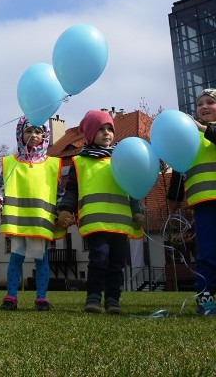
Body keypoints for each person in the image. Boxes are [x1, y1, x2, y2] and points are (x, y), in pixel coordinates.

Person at [166, 89, 216, 316]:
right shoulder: (190, 136)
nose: (203, 106)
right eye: (199, 103)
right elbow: (179, 167)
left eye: (210, 102)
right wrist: (174, 198)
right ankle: (206, 299)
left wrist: (205, 130)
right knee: (208, 254)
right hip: (205, 204)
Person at [57, 110, 145, 314]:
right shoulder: (80, 161)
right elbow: (72, 190)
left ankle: (113, 300)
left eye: (109, 129)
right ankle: (93, 298)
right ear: (89, 134)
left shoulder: (123, 158)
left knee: (116, 264)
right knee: (99, 259)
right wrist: (65, 209)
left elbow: (132, 188)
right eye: (100, 129)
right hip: (96, 222)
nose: (106, 133)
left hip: (121, 222)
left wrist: (137, 210)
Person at [0, 117, 65, 311]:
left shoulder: (52, 164)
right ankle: (11, 297)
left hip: (41, 221)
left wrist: (61, 211)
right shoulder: (10, 163)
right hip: (17, 221)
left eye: (38, 131)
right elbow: (2, 188)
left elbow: (59, 193)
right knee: (16, 258)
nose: (33, 135)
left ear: (45, 135)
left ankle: (41, 298)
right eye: (28, 131)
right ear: (20, 134)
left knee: (42, 259)